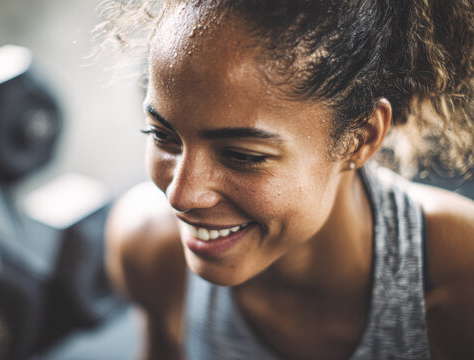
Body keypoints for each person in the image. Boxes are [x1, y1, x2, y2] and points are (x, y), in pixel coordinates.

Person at [103, 1, 474, 359]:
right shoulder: (149, 246)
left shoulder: (459, 274)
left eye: (242, 155)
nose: (179, 196)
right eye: (162, 136)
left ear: (360, 138)